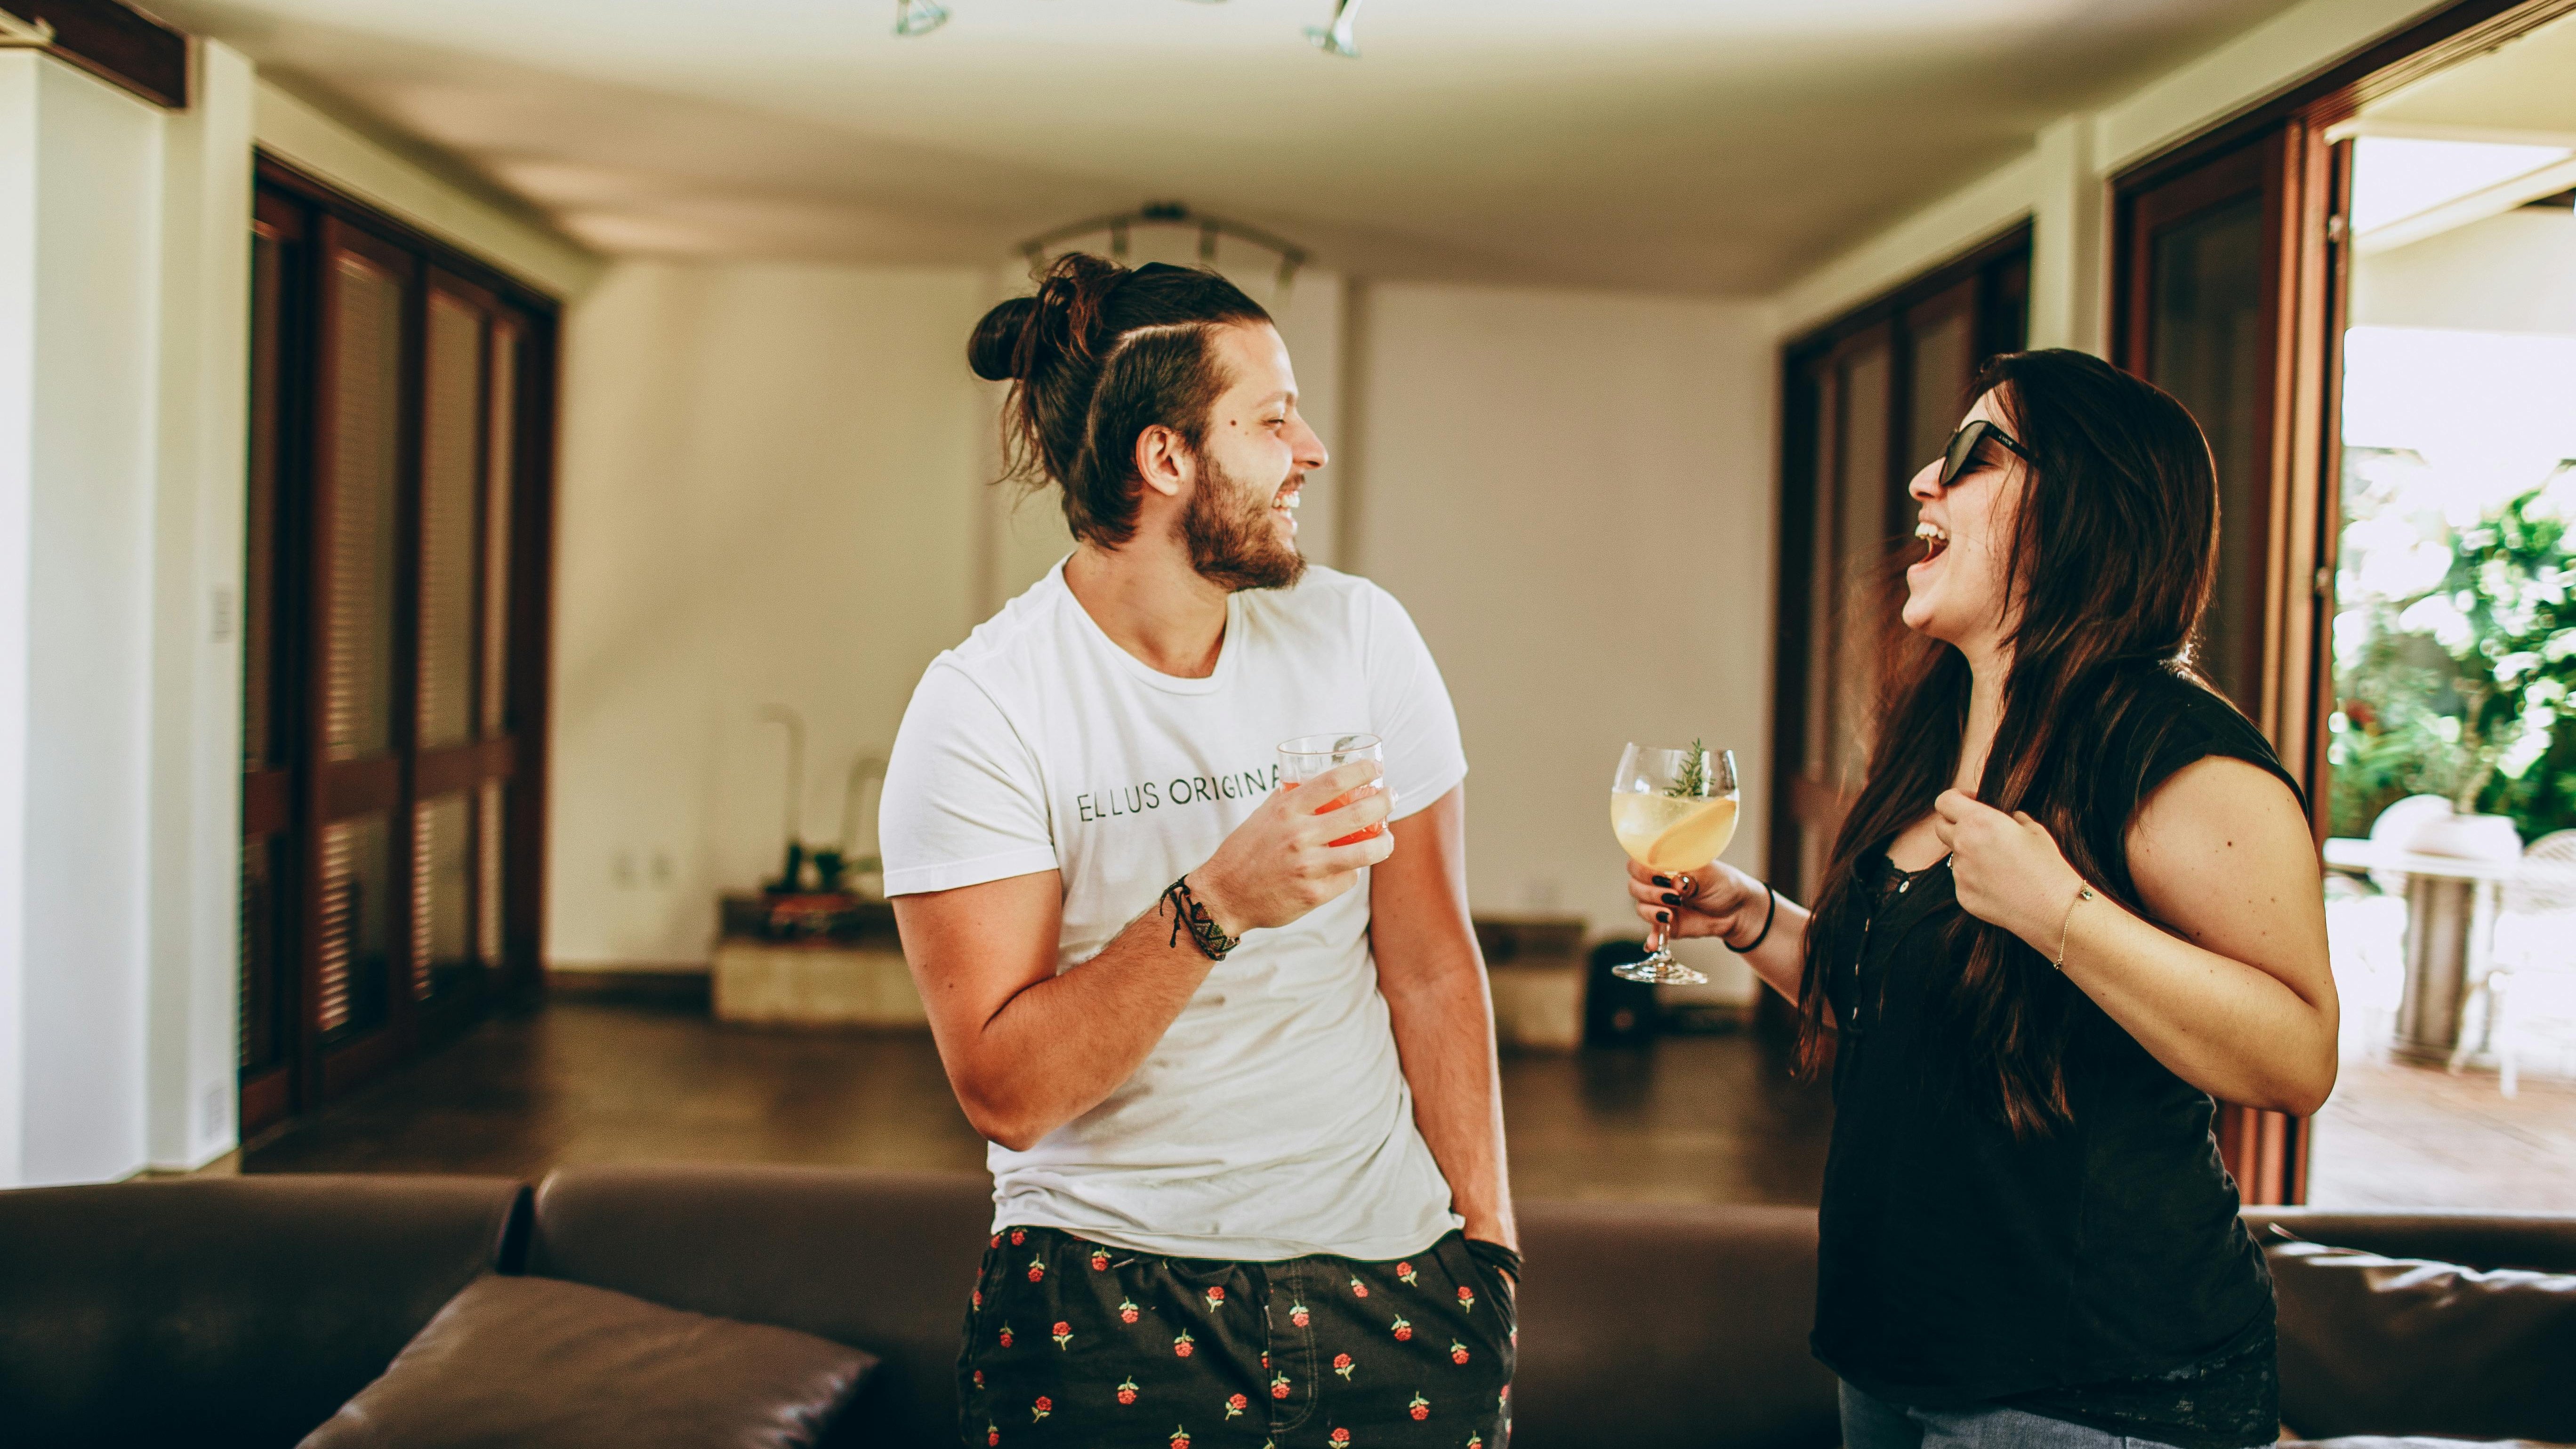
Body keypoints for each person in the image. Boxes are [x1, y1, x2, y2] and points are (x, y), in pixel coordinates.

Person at [1631, 349, 2337, 1449]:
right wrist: (1756, 921)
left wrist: (2061, 913)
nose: (1921, 480)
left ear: (2087, 505)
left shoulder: (2179, 753)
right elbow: (1914, 1006)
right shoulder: (1942, 731)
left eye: (1971, 453)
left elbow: (2296, 1058)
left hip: (2092, 1390)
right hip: (1897, 1351)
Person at [883, 254, 1516, 1449]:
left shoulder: (1361, 637)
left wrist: (1489, 1252)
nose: (1310, 449)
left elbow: (1432, 962)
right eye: (1272, 419)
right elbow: (1006, 1092)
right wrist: (1219, 900)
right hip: (1100, 1302)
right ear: (1166, 458)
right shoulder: (984, 708)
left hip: (1396, 1287)